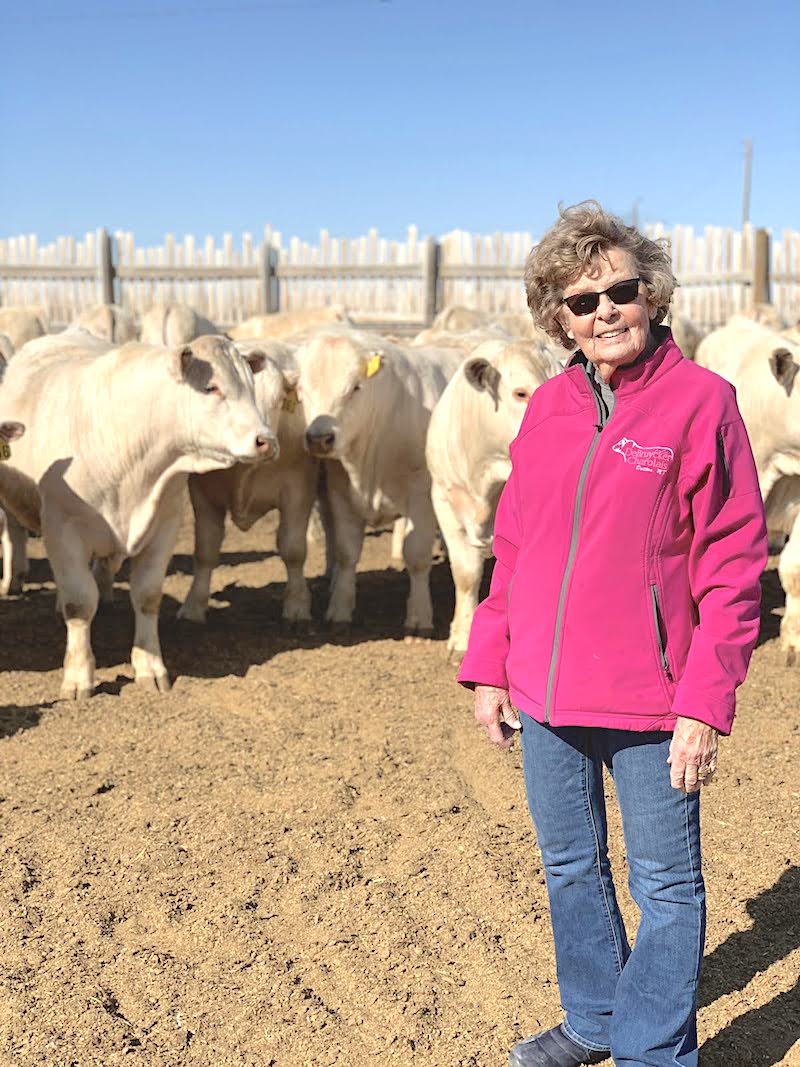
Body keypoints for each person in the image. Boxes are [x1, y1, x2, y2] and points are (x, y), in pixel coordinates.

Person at [457, 202, 768, 1067]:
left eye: (620, 291)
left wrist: (704, 703)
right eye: (581, 301)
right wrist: (491, 667)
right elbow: (513, 548)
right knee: (569, 866)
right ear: (558, 317)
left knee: (665, 885)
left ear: (653, 295)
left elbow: (735, 567)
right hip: (546, 692)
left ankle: (654, 1050)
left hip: (655, 698)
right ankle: (594, 1016)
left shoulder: (702, 403)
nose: (605, 312)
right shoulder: (549, 408)